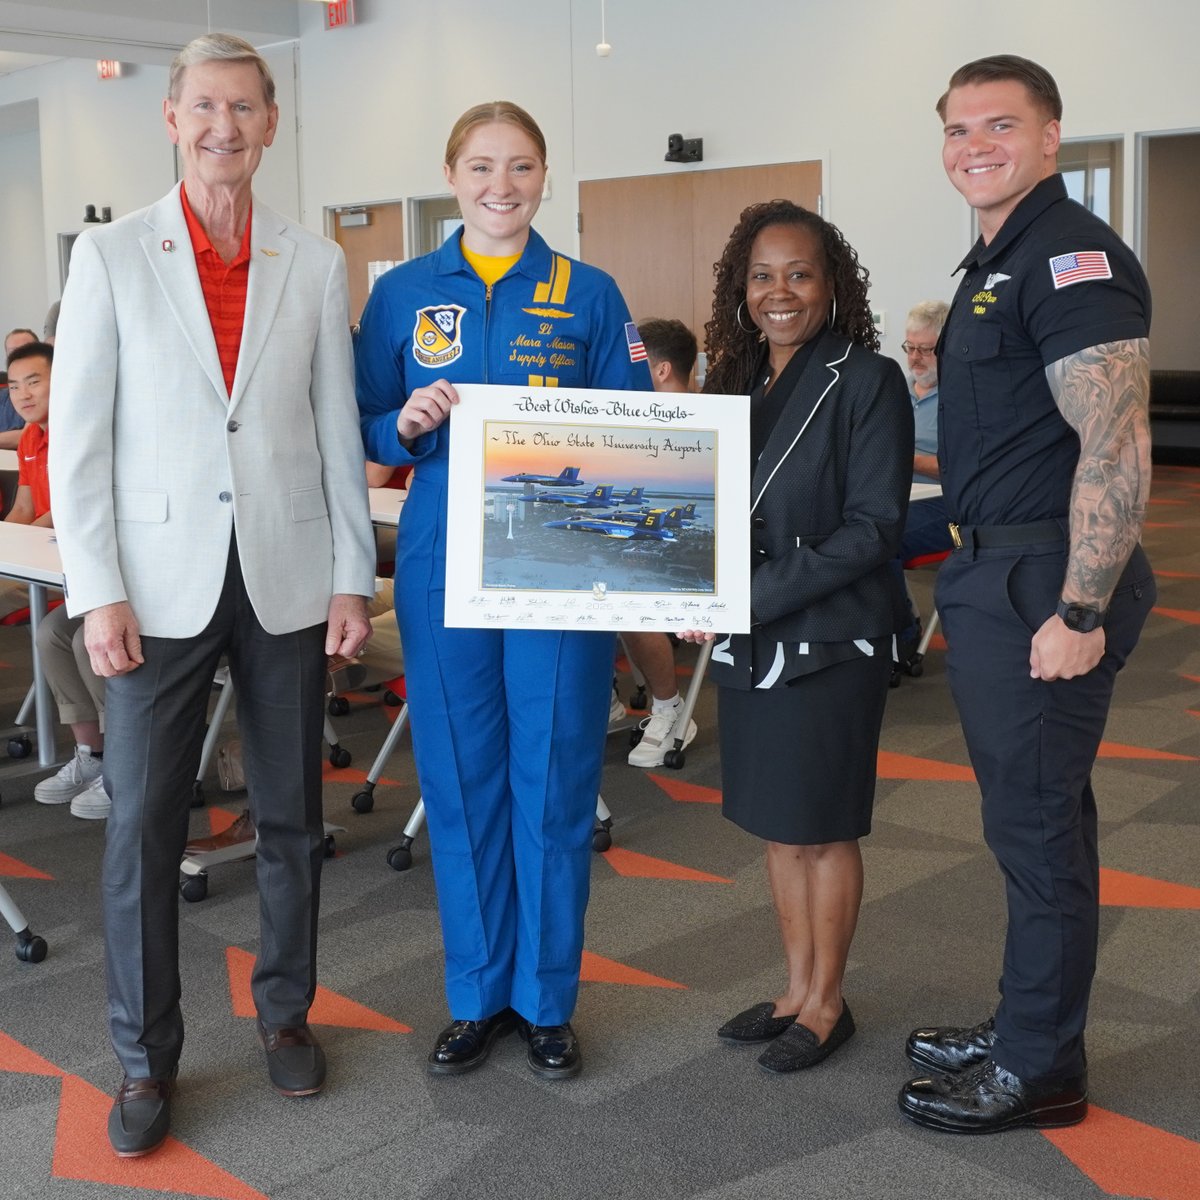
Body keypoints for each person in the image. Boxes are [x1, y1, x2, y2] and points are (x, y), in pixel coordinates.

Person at [49, 33, 375, 1157]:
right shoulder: (114, 256)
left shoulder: (315, 259)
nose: (223, 125)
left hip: (284, 578)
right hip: (155, 586)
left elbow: (336, 432)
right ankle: (146, 1059)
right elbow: (78, 443)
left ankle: (285, 1014)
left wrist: (351, 575)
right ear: (173, 120)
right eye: (204, 107)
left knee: (290, 816)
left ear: (271, 122)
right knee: (140, 826)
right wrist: (97, 593)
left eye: (244, 106)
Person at [356, 100, 651, 1080]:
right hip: (444, 564)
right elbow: (360, 419)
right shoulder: (403, 292)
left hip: (560, 560)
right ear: (453, 176)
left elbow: (639, 429)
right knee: (461, 778)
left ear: (545, 177)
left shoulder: (589, 292)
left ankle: (546, 998)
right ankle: (479, 993)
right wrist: (402, 421)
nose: (501, 186)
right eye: (482, 166)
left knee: (557, 779)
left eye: (520, 167)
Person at [898, 55, 1155, 1134]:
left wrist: (1081, 613)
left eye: (1000, 125)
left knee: (1038, 828)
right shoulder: (1000, 258)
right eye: (958, 130)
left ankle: (1040, 1068)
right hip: (1001, 572)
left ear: (1051, 135)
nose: (975, 147)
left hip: (1046, 582)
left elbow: (1117, 440)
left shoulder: (1071, 258)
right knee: (1035, 821)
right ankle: (1027, 1025)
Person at [682, 199, 911, 1073]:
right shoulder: (733, 381)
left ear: (832, 284)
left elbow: (872, 530)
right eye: (762, 277)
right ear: (742, 290)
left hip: (826, 635)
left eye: (800, 274)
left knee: (823, 829)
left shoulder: (866, 379)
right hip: (751, 634)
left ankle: (829, 1001)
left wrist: (746, 594)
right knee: (780, 829)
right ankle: (793, 989)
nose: (781, 293)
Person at [1, 341, 111, 818]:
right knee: (50, 636)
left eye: (34, 381)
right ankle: (94, 755)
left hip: (106, 569)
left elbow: (66, 509)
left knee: (91, 638)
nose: (23, 394)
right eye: (14, 385)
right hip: (65, 567)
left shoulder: (80, 428)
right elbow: (26, 509)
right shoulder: (30, 437)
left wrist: (26, 537)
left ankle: (128, 761)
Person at [622, 316, 700, 768]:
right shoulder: (640, 417)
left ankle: (671, 709)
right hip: (650, 535)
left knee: (624, 593)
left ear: (662, 370)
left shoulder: (705, 421)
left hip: (683, 548)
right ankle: (608, 703)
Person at [890, 300, 953, 674]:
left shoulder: (961, 399)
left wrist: (902, 456)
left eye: (925, 349)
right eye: (910, 348)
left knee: (883, 539)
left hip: (948, 504)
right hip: (899, 497)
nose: (915, 358)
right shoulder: (897, 394)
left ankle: (899, 638)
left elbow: (959, 469)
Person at [0, 327, 38, 450]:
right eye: (13, 352)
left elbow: (28, 436)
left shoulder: (47, 392)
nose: (19, 357)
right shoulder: (3, 395)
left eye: (26, 350)